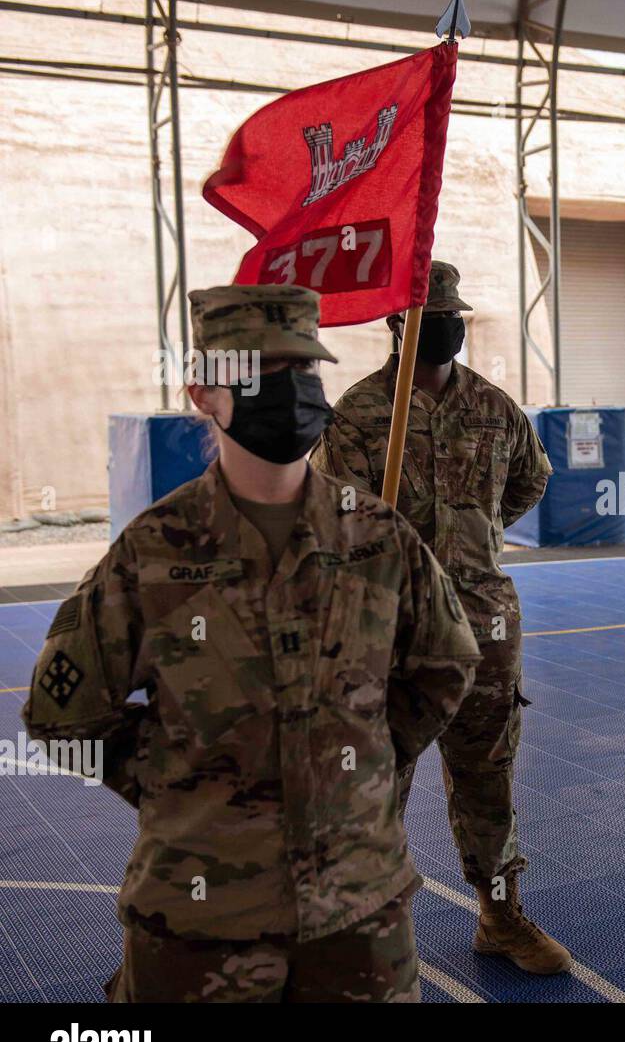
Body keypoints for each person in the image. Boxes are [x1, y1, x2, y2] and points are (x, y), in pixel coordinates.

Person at [22, 284, 481, 1002]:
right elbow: (65, 714)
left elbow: (445, 665)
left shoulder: (379, 537)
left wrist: (362, 760)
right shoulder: (155, 551)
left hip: (359, 917)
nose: (289, 391)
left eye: (303, 370)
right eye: (260, 373)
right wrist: (179, 784)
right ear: (204, 392)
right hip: (201, 922)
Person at [311, 261, 568, 974]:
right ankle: (368, 924)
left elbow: (530, 480)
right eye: (434, 314)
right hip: (392, 629)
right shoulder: (360, 415)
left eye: (453, 313)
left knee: (488, 768)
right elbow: (333, 521)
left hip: (484, 623)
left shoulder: (493, 407)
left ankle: (500, 915)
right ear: (399, 324)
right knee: (379, 777)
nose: (448, 325)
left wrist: (475, 541)